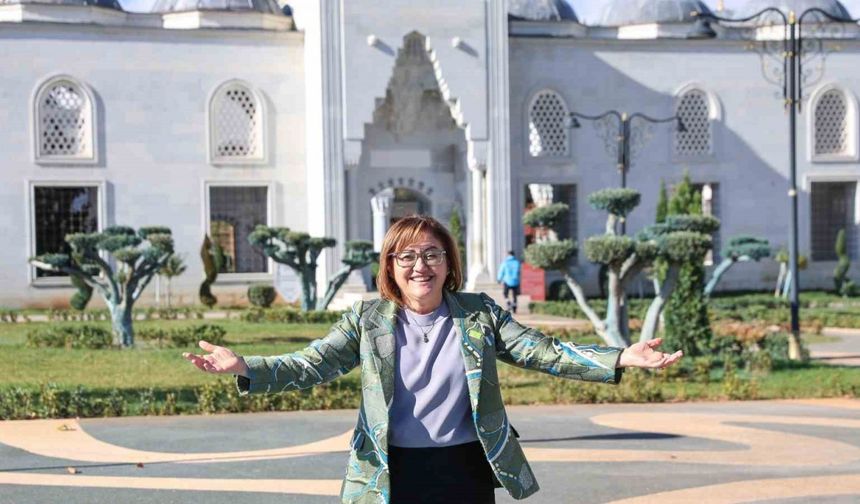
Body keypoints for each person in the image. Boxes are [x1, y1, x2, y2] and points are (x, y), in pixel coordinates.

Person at [183, 215, 683, 504]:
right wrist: (245, 366)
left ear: (448, 263)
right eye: (406, 257)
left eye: (431, 254)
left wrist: (620, 356)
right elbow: (311, 363)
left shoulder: (478, 314)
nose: (420, 266)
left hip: (464, 468)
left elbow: (543, 351)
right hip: (390, 470)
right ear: (391, 268)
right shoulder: (368, 320)